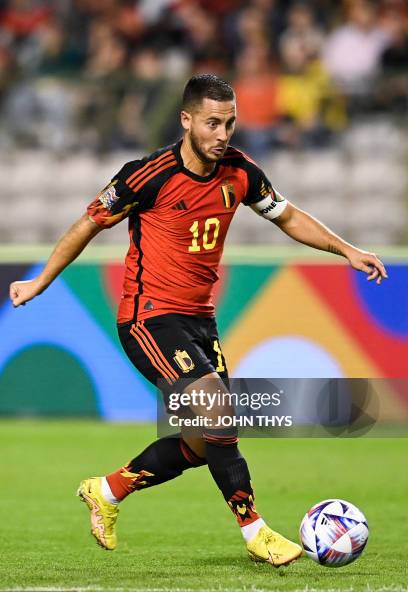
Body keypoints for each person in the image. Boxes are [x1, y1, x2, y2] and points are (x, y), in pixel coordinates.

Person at [9, 74, 387, 567]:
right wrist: (41, 282)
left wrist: (347, 250)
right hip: (149, 317)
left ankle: (106, 490)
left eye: (229, 123)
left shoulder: (241, 172)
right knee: (216, 405)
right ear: (187, 120)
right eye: (212, 123)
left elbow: (287, 215)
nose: (223, 133)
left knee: (204, 441)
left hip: (199, 323)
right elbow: (87, 224)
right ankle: (255, 531)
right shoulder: (147, 175)